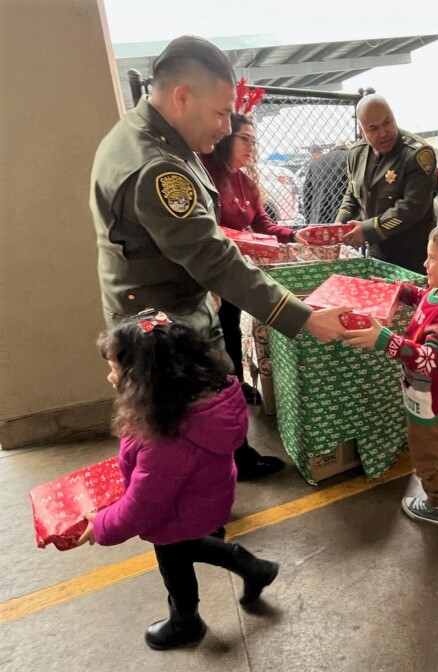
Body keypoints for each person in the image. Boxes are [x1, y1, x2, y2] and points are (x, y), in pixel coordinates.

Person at [90, 36, 346, 480]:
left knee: (189, 437)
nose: (227, 128)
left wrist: (205, 286)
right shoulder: (158, 166)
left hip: (164, 310)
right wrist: (303, 317)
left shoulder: (144, 134)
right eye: (221, 113)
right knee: (177, 449)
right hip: (162, 331)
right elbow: (216, 257)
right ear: (182, 97)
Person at [75, 311, 279, 650]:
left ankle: (185, 622)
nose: (110, 377)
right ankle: (254, 568)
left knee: (174, 562)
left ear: (145, 379)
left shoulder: (166, 437)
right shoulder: (203, 399)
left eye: (115, 369)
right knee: (191, 545)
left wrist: (101, 526)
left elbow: (142, 507)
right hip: (204, 498)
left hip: (177, 512)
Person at [344, 222, 438, 526]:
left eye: (432, 258)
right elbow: (424, 297)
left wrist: (385, 340)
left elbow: (430, 360)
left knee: (426, 457)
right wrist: (397, 289)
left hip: (434, 404)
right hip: (431, 398)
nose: (425, 263)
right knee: (436, 447)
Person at [200, 112, 305, 411]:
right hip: (204, 270)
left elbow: (263, 225)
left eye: (254, 141)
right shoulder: (203, 173)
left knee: (231, 325)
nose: (252, 147)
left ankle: (234, 382)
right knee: (210, 331)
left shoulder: (245, 181)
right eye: (244, 139)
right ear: (225, 138)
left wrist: (295, 235)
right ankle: (215, 393)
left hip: (230, 268)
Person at [337, 94, 438, 274]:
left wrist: (367, 230)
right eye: (374, 128)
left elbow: (413, 207)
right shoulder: (356, 153)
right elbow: (353, 193)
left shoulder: (417, 154)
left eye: (387, 122)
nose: (383, 133)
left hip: (413, 254)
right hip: (376, 249)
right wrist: (339, 224)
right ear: (362, 130)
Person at [303, 141, 349, 224]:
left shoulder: (315, 163)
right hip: (346, 218)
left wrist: (308, 220)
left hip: (319, 218)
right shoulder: (353, 159)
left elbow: (307, 195)